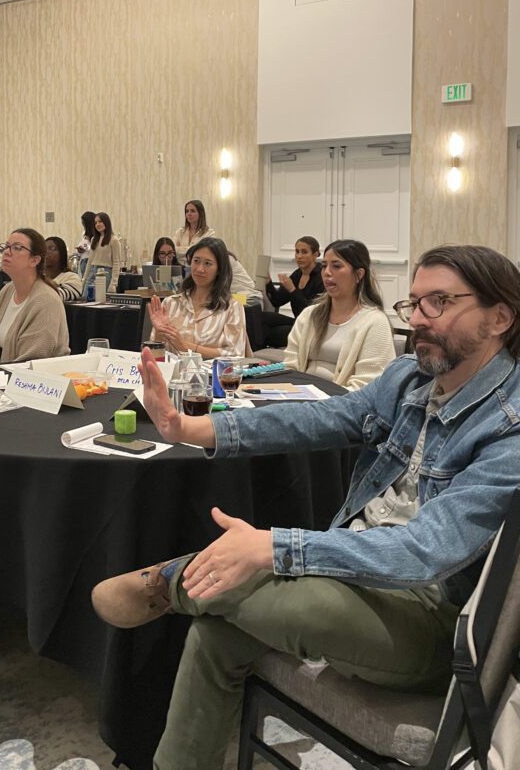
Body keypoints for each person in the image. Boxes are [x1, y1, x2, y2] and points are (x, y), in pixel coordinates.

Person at [92, 244, 520, 770]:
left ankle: (171, 581)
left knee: (260, 593)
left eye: (439, 303)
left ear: (500, 317)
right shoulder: (410, 379)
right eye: (414, 305)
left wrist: (273, 546)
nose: (420, 321)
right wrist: (192, 428)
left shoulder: (510, 429)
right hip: (356, 576)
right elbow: (315, 419)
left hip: (431, 619)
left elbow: (423, 551)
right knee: (215, 634)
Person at [284, 239, 394, 390]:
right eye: (323, 266)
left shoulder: (375, 322)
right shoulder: (309, 315)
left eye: (336, 266)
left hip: (341, 406)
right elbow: (290, 366)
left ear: (359, 274)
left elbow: (367, 386)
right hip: (300, 399)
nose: (327, 272)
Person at [0, 228, 70, 366]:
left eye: (17, 248)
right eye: (6, 246)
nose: (7, 252)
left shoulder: (45, 301)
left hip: (34, 382)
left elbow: (29, 364)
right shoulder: (6, 292)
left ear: (34, 260)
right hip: (4, 378)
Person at [149, 237, 246, 358]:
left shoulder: (232, 308)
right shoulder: (171, 303)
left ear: (219, 269)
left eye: (207, 263)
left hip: (212, 376)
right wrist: (159, 332)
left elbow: (235, 354)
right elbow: (154, 355)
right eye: (196, 261)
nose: (200, 269)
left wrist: (185, 347)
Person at [259, 236, 324, 348]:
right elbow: (277, 301)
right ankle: (255, 354)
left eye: (304, 252)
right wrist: (268, 283)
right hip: (297, 321)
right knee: (260, 318)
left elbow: (310, 312)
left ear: (315, 254)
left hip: (311, 326)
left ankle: (259, 352)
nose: (299, 256)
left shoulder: (321, 277)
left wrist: (293, 290)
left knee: (274, 333)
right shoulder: (297, 274)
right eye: (297, 251)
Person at [81, 212, 122, 293]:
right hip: (92, 271)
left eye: (100, 221)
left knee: (101, 300)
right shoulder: (94, 240)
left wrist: (113, 284)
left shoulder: (114, 240)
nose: (98, 224)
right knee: (86, 298)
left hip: (105, 273)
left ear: (106, 222)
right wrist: (84, 280)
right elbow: (90, 262)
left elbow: (116, 263)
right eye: (95, 223)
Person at [45, 236, 83, 302]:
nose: (47, 252)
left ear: (62, 253)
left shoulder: (72, 277)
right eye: (44, 249)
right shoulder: (36, 277)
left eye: (52, 249)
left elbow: (55, 297)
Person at [76, 211, 97, 279]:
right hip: (83, 259)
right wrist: (80, 250)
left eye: (83, 222)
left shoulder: (96, 235)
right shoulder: (84, 233)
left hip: (91, 260)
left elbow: (95, 249)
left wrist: (86, 248)